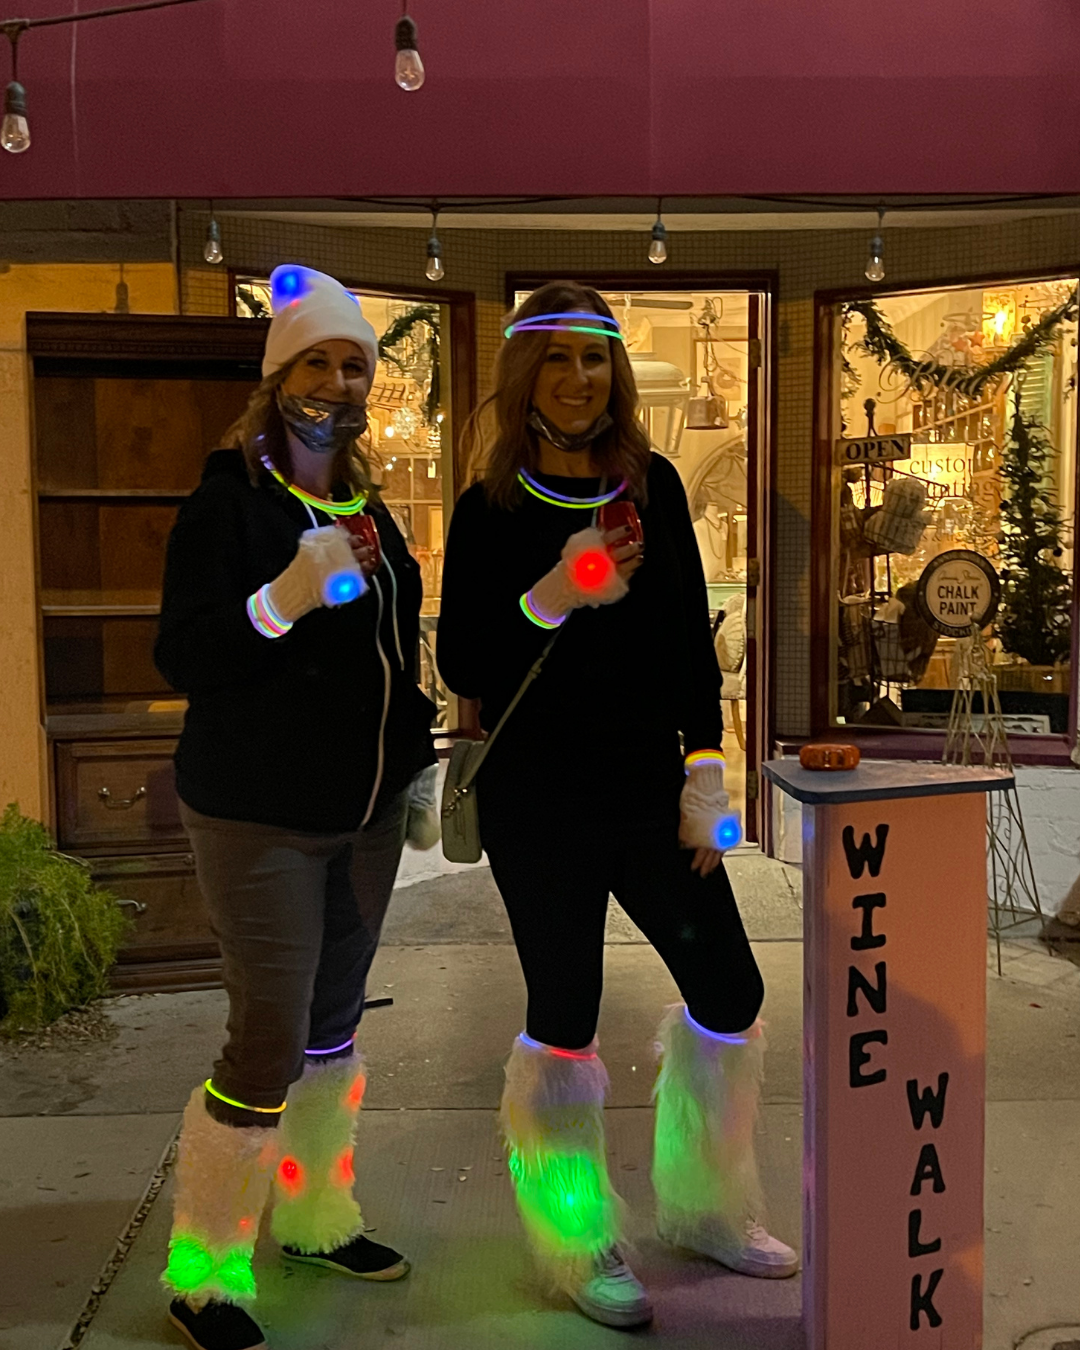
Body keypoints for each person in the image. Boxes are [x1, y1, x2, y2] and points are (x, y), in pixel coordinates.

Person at [436, 282, 797, 1330]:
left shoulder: (656, 486)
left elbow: (689, 638)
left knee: (729, 993)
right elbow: (465, 658)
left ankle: (706, 1205)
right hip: (537, 805)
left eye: (595, 360)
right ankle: (574, 1236)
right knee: (565, 1018)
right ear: (526, 378)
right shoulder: (488, 509)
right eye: (557, 360)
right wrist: (559, 588)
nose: (580, 380)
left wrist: (707, 769)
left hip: (648, 792)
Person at [154, 265, 438, 1350]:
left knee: (329, 1033)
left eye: (353, 362)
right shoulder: (225, 502)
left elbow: (386, 659)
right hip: (258, 817)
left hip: (363, 816)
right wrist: (281, 597)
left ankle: (316, 1217)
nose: (336, 379)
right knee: (267, 1040)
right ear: (278, 378)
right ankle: (206, 1273)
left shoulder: (367, 506)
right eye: (316, 360)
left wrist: (413, 756)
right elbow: (184, 653)